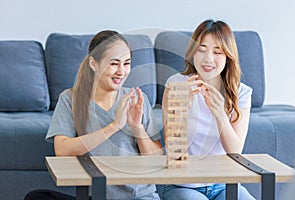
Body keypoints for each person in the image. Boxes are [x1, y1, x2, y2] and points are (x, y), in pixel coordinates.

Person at [24, 30, 162, 200]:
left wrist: (138, 128)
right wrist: (114, 126)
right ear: (93, 63)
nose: (122, 71)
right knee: (38, 197)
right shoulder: (70, 99)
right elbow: (62, 150)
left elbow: (156, 160)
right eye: (114, 64)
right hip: (96, 196)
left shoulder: (138, 100)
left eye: (127, 63)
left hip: (138, 197)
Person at [162, 19, 255, 200]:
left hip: (224, 184)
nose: (208, 59)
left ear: (228, 56)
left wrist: (220, 114)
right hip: (183, 184)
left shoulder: (241, 93)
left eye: (217, 52)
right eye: (202, 50)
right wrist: (182, 108)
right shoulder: (176, 84)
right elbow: (173, 151)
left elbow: (235, 151)